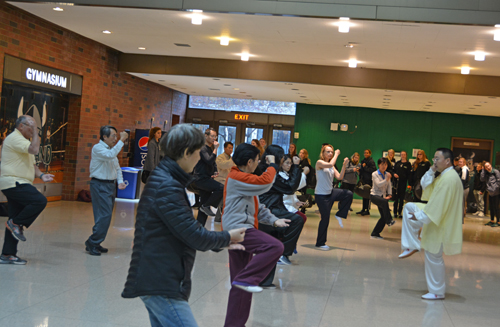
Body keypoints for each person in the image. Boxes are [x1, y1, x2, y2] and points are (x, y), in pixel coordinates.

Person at [122, 124, 246, 327]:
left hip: (158, 278)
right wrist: (228, 237)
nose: (199, 158)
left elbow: (182, 231)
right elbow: (193, 234)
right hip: (160, 282)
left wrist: (223, 242)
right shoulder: (167, 186)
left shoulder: (168, 179)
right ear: (186, 153)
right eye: (197, 153)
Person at [222, 143, 289, 327]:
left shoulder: (245, 179)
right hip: (239, 229)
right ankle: (247, 277)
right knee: (275, 246)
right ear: (250, 162)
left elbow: (257, 207)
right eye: (257, 161)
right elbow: (266, 182)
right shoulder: (237, 177)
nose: (258, 164)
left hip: (239, 228)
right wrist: (273, 166)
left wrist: (274, 220)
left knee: (239, 286)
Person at [399, 148, 463, 300]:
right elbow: (424, 184)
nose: (434, 161)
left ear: (447, 161)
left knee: (433, 256)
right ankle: (411, 244)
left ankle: (437, 291)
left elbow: (438, 205)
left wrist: (419, 217)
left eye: (437, 159)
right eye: (433, 158)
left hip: (441, 221)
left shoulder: (448, 179)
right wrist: (431, 170)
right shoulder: (444, 175)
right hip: (438, 217)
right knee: (409, 207)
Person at [0, 115, 54, 265]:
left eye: (34, 127)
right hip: (14, 182)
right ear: (21, 126)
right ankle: (16, 224)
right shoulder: (14, 138)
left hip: (17, 182)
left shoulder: (23, 142)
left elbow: (33, 164)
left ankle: (7, 254)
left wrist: (42, 175)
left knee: (14, 216)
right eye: (30, 126)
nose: (33, 130)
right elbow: (35, 150)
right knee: (39, 200)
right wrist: (37, 132)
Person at [257, 147, 305, 288]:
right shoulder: (267, 171)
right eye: (282, 159)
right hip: (268, 209)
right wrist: (296, 167)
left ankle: (265, 280)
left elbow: (289, 186)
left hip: (271, 208)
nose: (285, 161)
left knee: (270, 245)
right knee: (296, 221)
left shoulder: (271, 170)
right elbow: (289, 187)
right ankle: (283, 252)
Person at [85, 125, 128, 256]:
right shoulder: (98, 148)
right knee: (104, 216)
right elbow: (110, 155)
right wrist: (122, 140)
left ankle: (96, 242)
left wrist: (120, 182)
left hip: (110, 186)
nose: (115, 138)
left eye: (116, 136)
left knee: (106, 216)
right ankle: (92, 242)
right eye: (113, 136)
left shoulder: (111, 150)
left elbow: (117, 168)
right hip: (99, 185)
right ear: (104, 137)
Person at [314, 144, 352, 250]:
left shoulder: (331, 165)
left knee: (348, 194)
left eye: (331, 151)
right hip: (321, 196)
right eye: (328, 151)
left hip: (330, 193)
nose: (330, 153)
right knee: (325, 219)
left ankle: (340, 214)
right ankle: (320, 243)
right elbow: (330, 165)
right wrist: (336, 154)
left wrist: (344, 165)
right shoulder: (319, 163)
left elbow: (339, 177)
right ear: (323, 153)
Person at [193, 127, 222, 226]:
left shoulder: (209, 149)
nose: (214, 138)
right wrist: (216, 149)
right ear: (206, 136)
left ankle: (199, 230)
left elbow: (212, 163)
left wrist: (215, 171)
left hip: (207, 177)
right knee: (221, 188)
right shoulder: (202, 148)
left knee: (203, 209)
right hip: (200, 178)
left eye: (215, 136)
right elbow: (209, 160)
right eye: (212, 136)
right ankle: (206, 205)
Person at [370, 157, 396, 240]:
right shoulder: (374, 174)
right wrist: (386, 179)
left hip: (382, 196)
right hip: (374, 195)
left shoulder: (387, 173)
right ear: (379, 165)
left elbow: (389, 185)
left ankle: (375, 233)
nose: (384, 166)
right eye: (382, 164)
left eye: (385, 164)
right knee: (384, 202)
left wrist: (390, 194)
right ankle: (389, 220)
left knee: (383, 217)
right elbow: (378, 184)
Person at [214, 142, 235, 222]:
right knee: (222, 200)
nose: (231, 150)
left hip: (229, 181)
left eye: (232, 148)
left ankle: (220, 217)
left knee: (226, 200)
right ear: (224, 148)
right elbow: (224, 165)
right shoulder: (220, 157)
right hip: (221, 181)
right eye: (229, 148)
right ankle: (219, 217)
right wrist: (232, 160)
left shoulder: (231, 159)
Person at [393, 150, 412, 218]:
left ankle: (400, 212)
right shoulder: (397, 163)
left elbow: (409, 175)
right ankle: (395, 212)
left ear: (406, 155)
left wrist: (409, 184)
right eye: (402, 154)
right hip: (397, 183)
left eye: (404, 154)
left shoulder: (408, 164)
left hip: (403, 183)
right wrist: (394, 174)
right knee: (396, 199)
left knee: (401, 199)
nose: (403, 156)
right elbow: (393, 171)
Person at [357, 149, 376, 216]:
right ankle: (363, 209)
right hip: (364, 180)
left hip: (369, 180)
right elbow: (363, 170)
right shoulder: (363, 161)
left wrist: (365, 167)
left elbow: (373, 170)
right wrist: (359, 170)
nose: (365, 154)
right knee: (363, 194)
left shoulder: (371, 161)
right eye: (365, 153)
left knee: (367, 195)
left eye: (367, 153)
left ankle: (367, 210)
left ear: (370, 154)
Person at [481, 162, 500, 227]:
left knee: (496, 207)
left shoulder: (495, 171)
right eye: (486, 167)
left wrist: (495, 189)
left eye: (488, 166)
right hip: (490, 192)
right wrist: (483, 170)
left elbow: (499, 181)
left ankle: (498, 221)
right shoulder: (486, 173)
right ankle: (492, 220)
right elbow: (482, 179)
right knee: (491, 207)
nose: (488, 167)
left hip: (496, 192)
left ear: (490, 165)